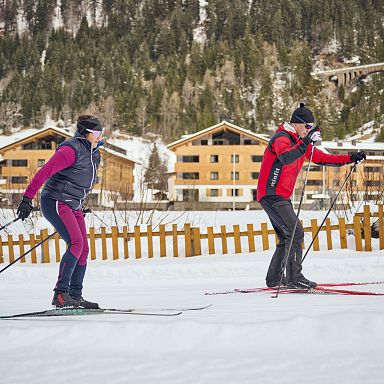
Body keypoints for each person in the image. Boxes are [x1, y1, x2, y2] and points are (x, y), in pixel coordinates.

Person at [257, 103, 366, 289]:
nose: (309, 130)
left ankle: (275, 279)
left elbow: (323, 158)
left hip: (280, 196)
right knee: (296, 233)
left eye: (311, 128)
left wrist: (349, 157)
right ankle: (294, 277)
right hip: (272, 194)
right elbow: (285, 157)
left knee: (286, 237)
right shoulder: (281, 138)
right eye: (307, 126)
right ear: (297, 124)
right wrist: (306, 142)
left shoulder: (300, 144)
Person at [17, 115, 104, 308]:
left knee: (83, 249)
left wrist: (79, 203)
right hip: (56, 200)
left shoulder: (94, 153)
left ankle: (75, 295)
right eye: (96, 133)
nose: (99, 136)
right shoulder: (70, 150)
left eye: (101, 132)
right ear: (85, 133)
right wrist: (27, 198)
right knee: (76, 243)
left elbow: (78, 182)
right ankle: (60, 294)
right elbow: (45, 172)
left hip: (72, 204)